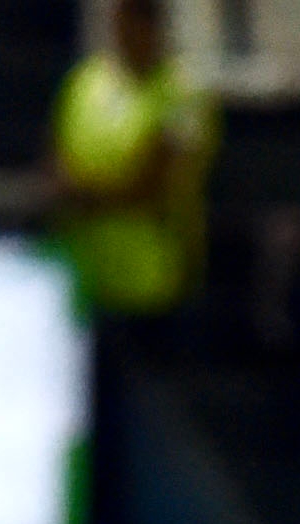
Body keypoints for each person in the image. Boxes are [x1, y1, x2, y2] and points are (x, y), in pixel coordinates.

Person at [48, 0, 216, 324]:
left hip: (156, 285)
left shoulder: (183, 93)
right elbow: (55, 163)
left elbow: (153, 185)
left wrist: (84, 194)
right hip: (87, 278)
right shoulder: (85, 82)